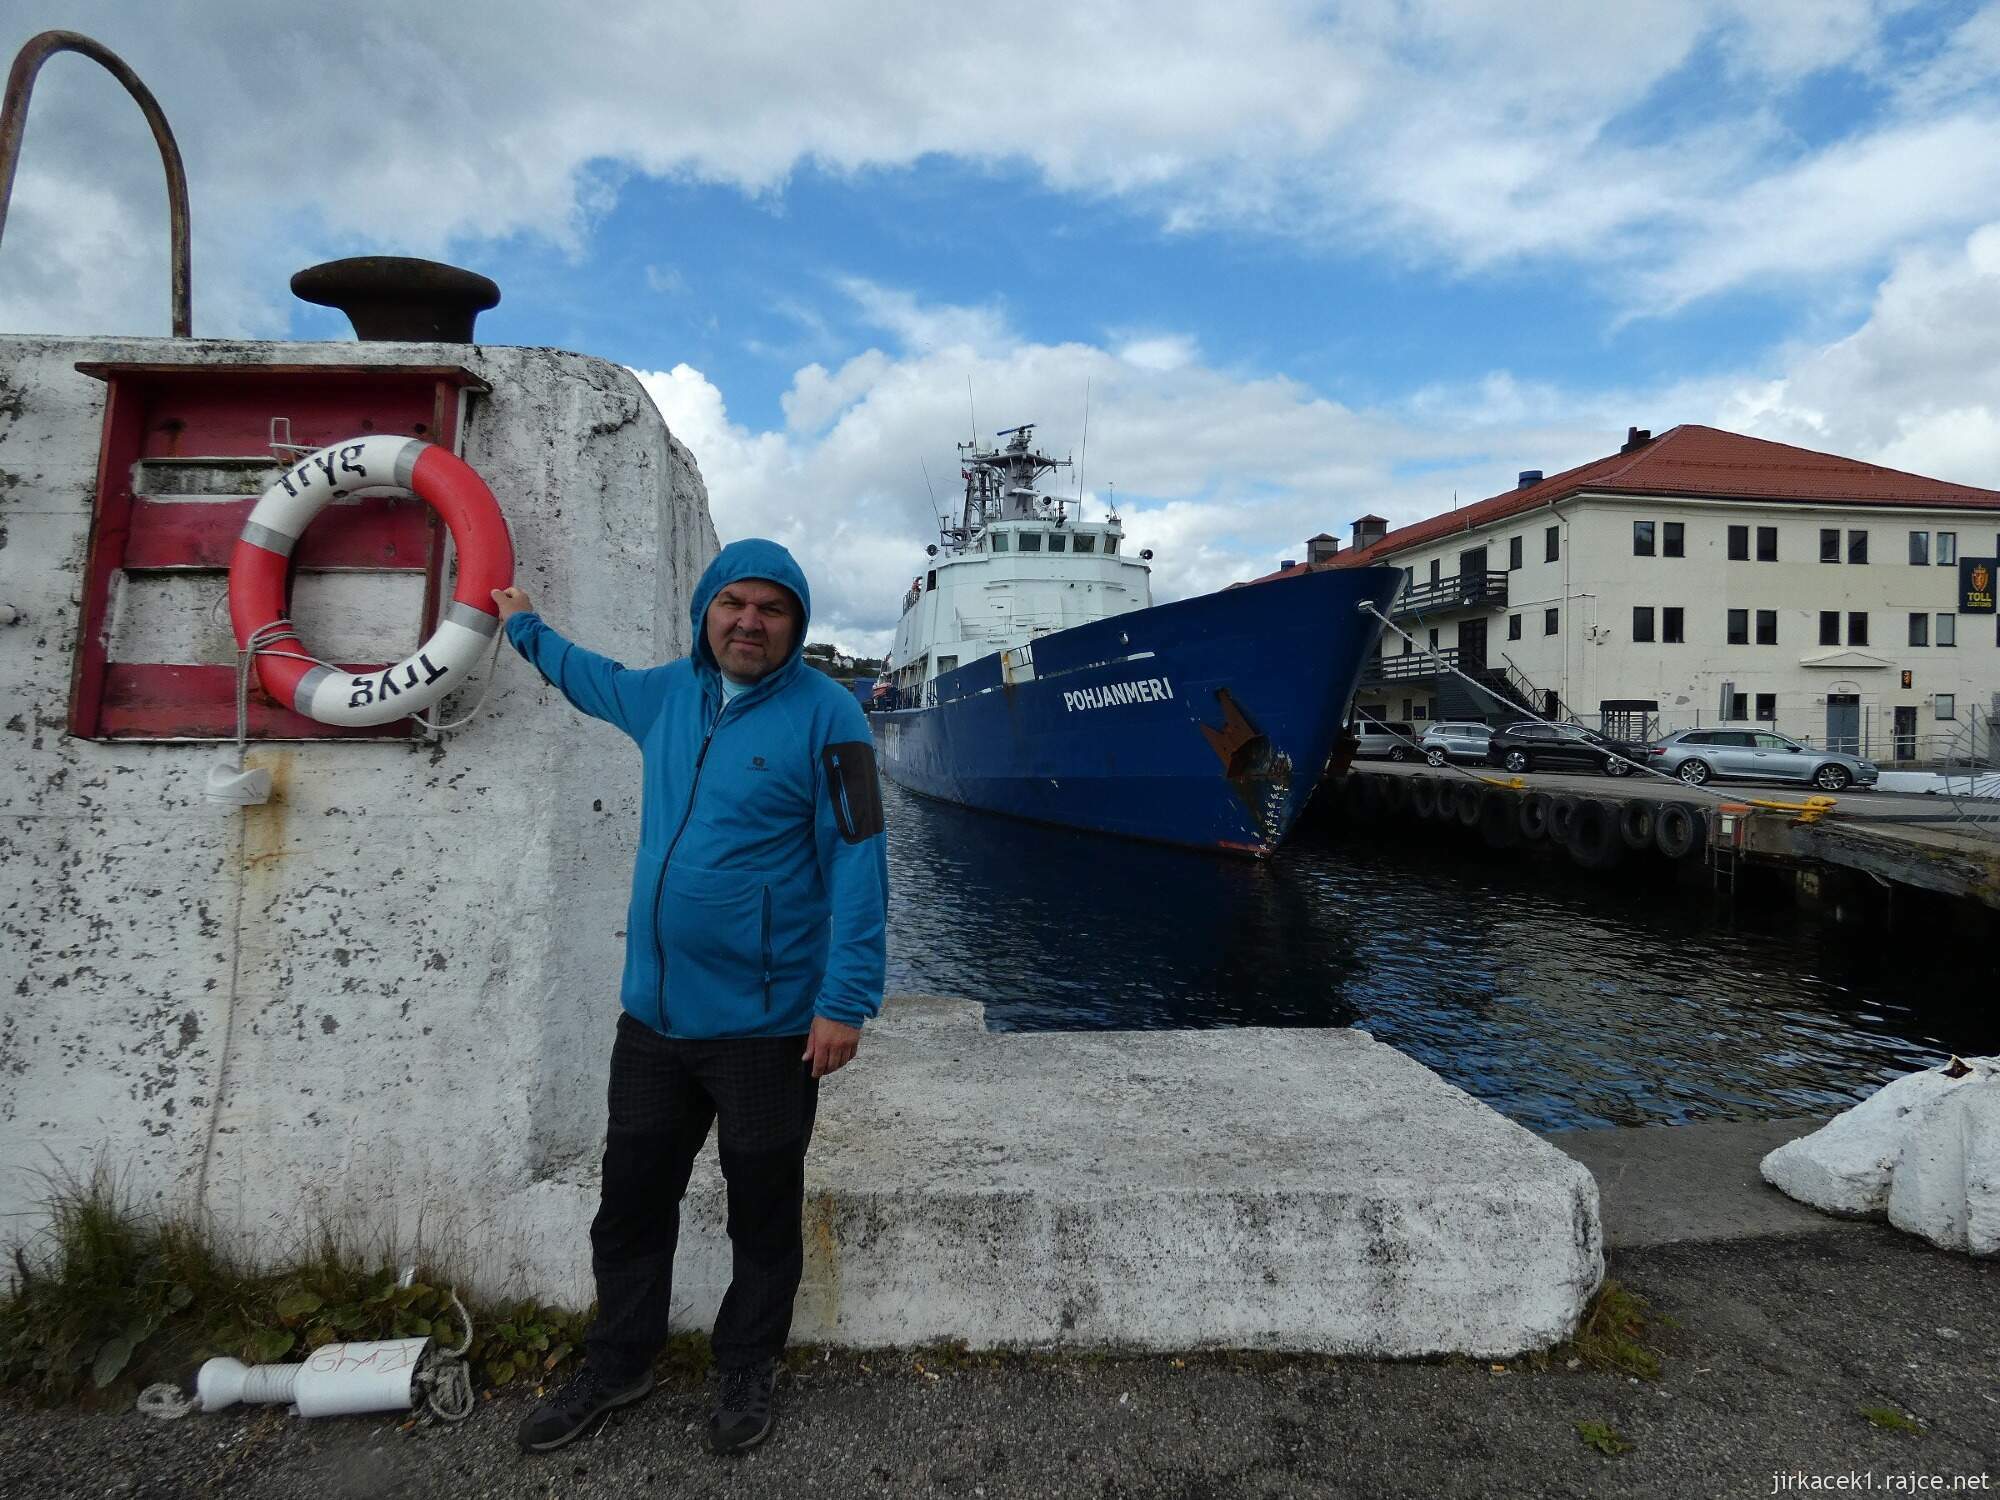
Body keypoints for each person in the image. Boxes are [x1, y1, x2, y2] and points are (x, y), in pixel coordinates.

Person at [493, 538, 888, 1457]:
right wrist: (523, 628)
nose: (750, 622)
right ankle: (619, 1360)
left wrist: (847, 1001)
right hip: (655, 1021)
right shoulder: (667, 693)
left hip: (769, 1027)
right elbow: (586, 677)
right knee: (629, 1205)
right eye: (733, 604)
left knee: (761, 1213)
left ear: (796, 624)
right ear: (707, 611)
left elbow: (861, 863)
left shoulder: (834, 719)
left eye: (772, 608)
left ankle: (746, 1366)